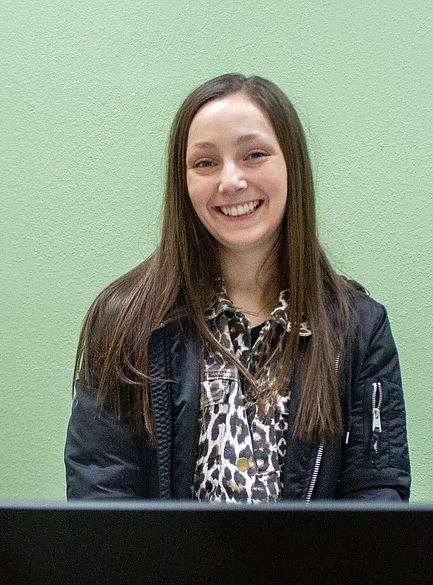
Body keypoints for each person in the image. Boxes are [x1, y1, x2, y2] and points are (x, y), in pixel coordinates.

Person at [65, 73, 409, 501]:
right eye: (205, 163)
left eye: (254, 154)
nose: (230, 181)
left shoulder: (360, 327)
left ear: (292, 166)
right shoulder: (122, 320)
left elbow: (376, 492)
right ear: (183, 181)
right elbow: (103, 496)